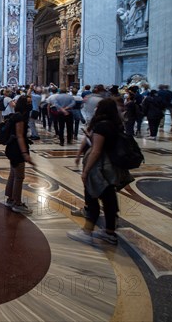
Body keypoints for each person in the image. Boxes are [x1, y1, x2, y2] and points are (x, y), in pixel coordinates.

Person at [67, 98, 124, 245]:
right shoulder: (116, 124)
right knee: (109, 198)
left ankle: (87, 231)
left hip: (99, 167)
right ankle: (109, 232)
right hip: (112, 166)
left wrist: (85, 171)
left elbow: (96, 151)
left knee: (92, 196)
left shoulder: (101, 127)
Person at [3, 95, 36, 214]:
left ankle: (10, 198)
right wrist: (25, 154)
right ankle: (17, 202)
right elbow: (20, 136)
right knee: (19, 177)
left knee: (13, 174)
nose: (30, 104)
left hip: (11, 147)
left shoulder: (15, 115)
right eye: (28, 103)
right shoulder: (20, 118)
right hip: (17, 149)